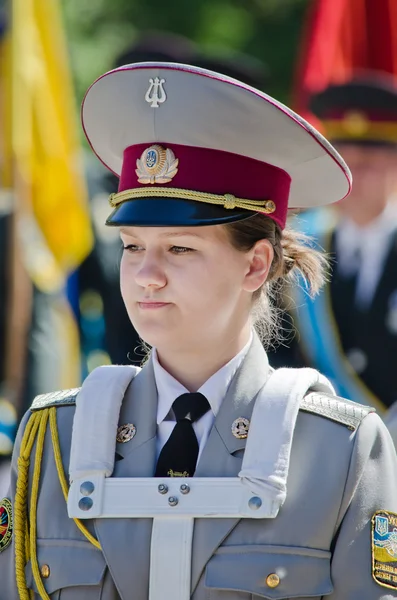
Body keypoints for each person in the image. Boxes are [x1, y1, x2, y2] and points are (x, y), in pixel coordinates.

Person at [0, 62, 396, 600]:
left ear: (255, 266)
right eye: (132, 246)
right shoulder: (53, 439)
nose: (146, 275)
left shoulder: (340, 448)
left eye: (179, 248)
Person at [280, 74, 397, 417]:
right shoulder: (299, 247)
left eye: (367, 165)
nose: (353, 180)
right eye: (344, 166)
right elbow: (283, 349)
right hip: (332, 436)